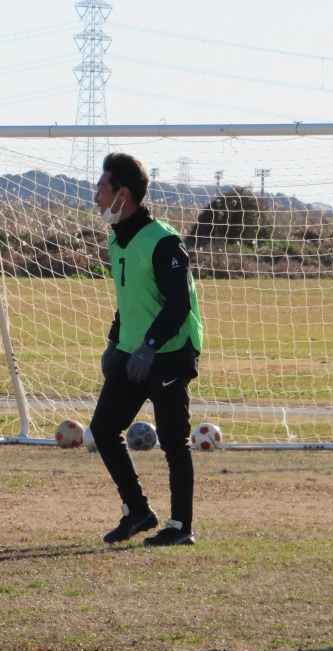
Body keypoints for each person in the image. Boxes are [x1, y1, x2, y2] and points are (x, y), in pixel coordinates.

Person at [89, 152, 204, 546]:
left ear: (122, 194)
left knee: (173, 440)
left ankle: (181, 527)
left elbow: (178, 305)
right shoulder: (117, 239)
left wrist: (150, 347)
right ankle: (138, 511)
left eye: (101, 189)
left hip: (169, 351)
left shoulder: (164, 241)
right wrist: (113, 342)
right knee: (104, 430)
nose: (96, 198)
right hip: (132, 350)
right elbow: (130, 301)